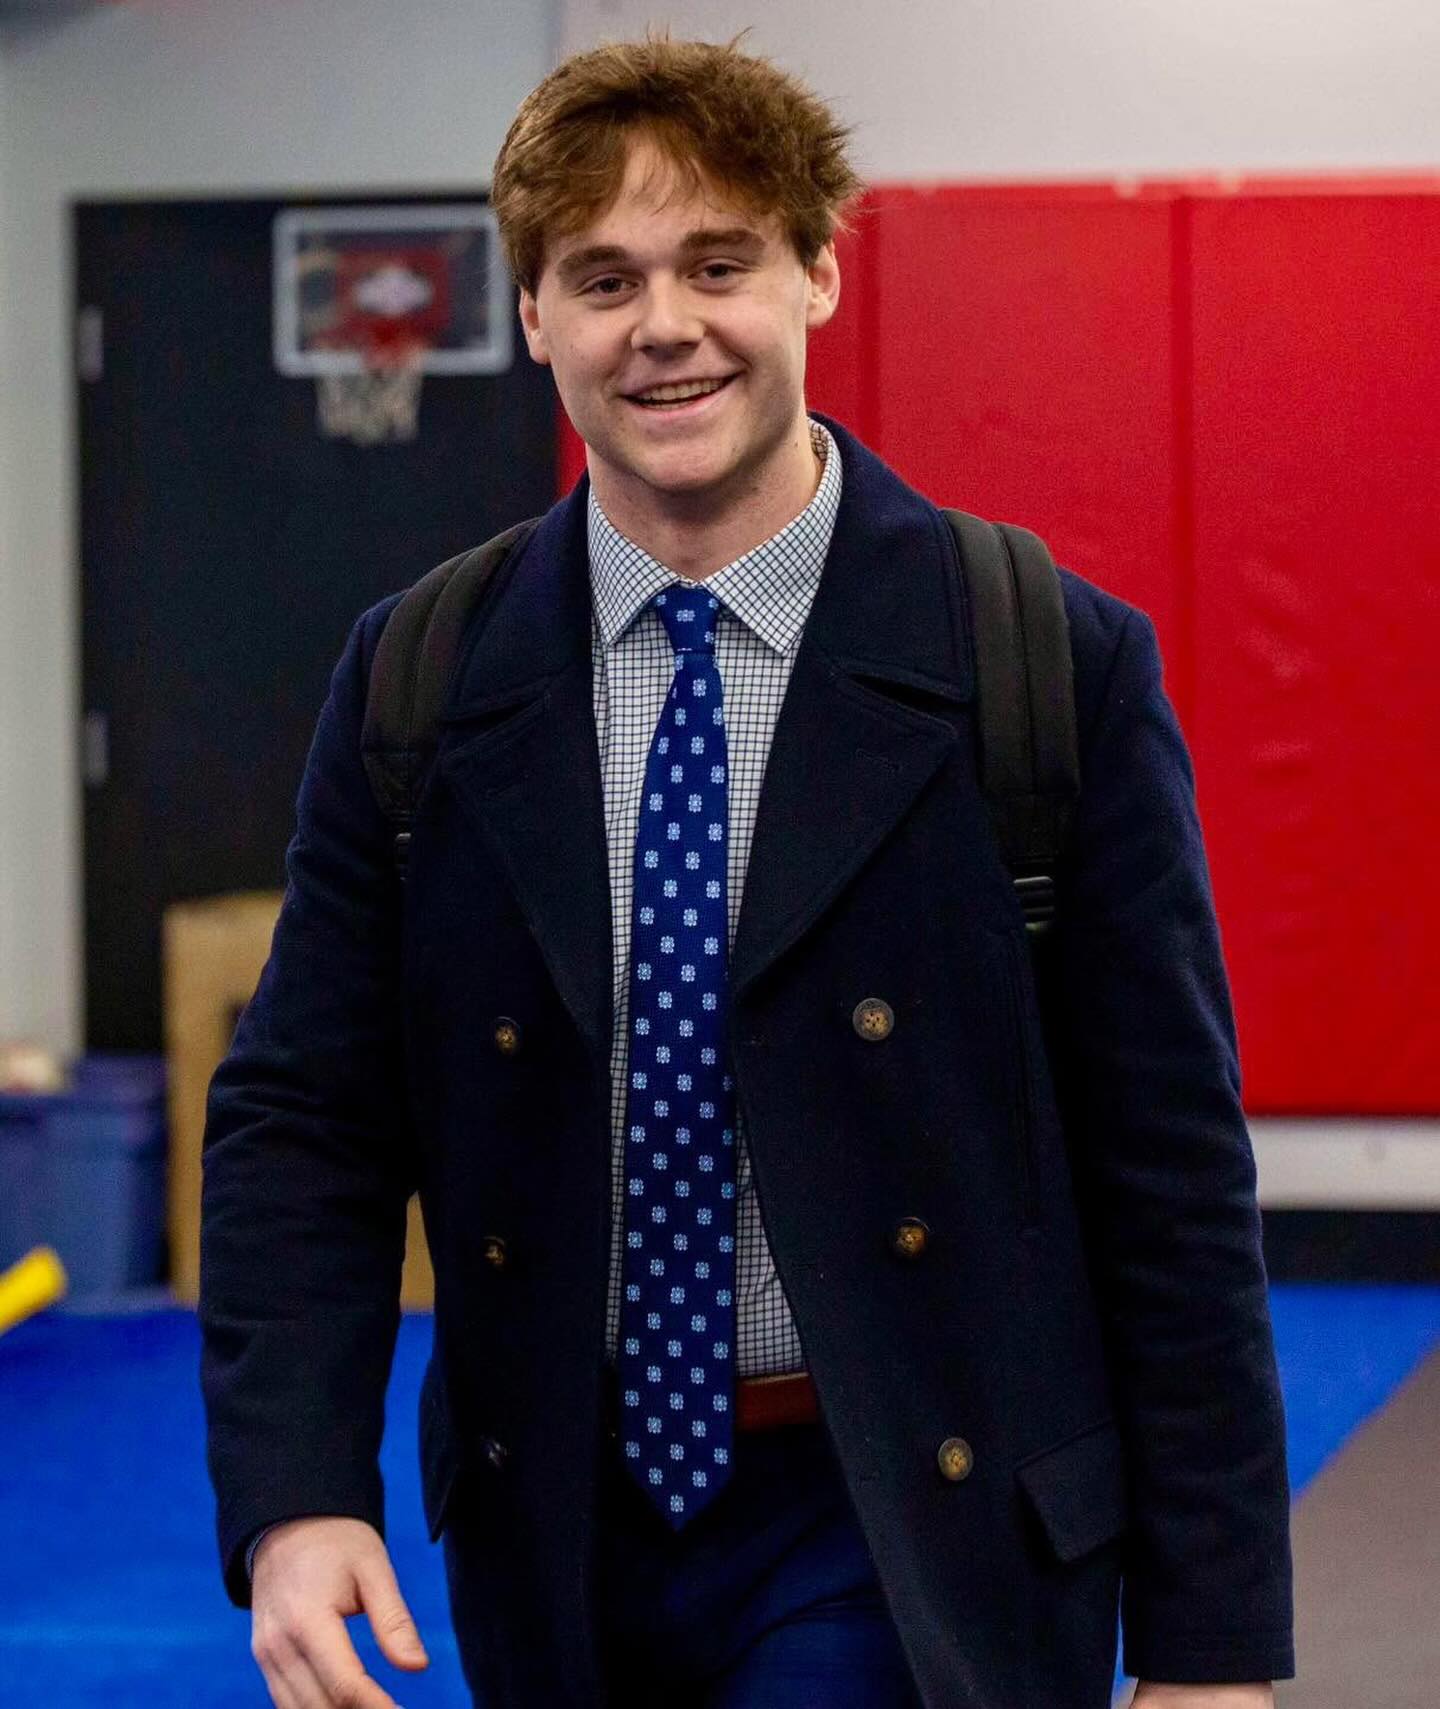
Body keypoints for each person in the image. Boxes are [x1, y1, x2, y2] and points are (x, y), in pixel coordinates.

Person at [199, 31, 1295, 1709]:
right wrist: (295, 1492)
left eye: (719, 263)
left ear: (817, 275)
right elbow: (305, 1116)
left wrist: (1215, 1646)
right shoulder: (419, 675)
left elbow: (1169, 1172)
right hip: (555, 1515)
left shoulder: (1040, 664)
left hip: (912, 1504)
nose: (665, 326)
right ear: (538, 316)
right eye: (605, 276)